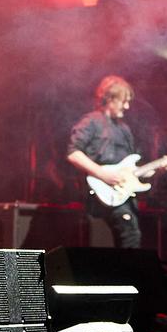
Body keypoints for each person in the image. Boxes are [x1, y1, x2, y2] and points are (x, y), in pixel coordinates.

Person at [66, 75, 144, 249]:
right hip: (98, 191)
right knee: (130, 234)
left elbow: (132, 167)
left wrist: (159, 168)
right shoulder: (91, 121)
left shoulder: (124, 128)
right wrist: (102, 174)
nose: (127, 106)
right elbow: (73, 153)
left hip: (121, 194)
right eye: (124, 101)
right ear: (110, 99)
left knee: (130, 235)